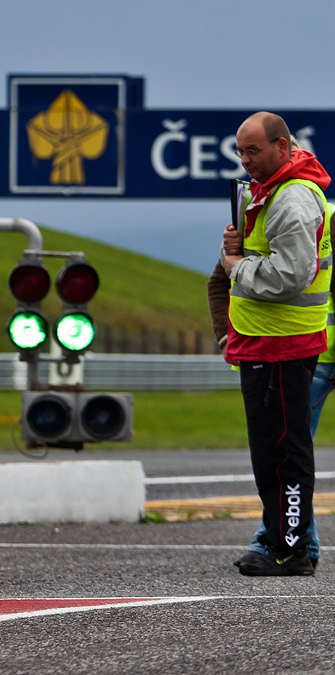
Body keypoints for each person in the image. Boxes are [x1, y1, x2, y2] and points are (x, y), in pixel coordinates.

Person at [206, 112, 330, 576]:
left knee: (284, 450)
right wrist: (235, 255)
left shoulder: (291, 199)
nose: (245, 159)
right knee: (274, 451)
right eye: (240, 151)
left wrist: (237, 265)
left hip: (282, 344)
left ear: (282, 147)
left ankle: (289, 548)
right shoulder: (268, 192)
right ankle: (286, 543)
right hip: (267, 344)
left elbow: (291, 275)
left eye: (253, 150)